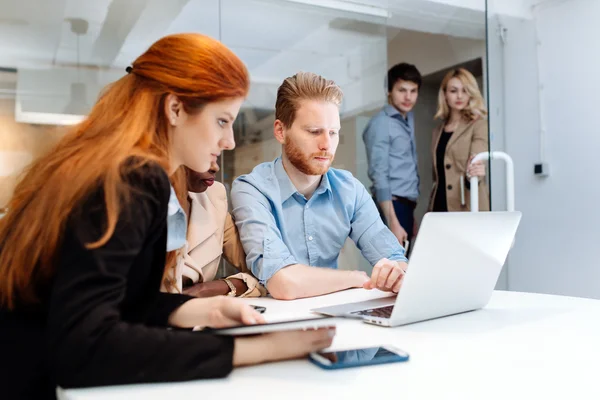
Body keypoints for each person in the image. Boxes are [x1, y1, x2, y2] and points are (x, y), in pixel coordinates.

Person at [0, 34, 334, 400]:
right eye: (222, 121)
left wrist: (198, 310)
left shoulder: (125, 169)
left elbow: (122, 302)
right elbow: (86, 343)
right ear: (175, 109)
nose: (229, 142)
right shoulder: (132, 179)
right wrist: (260, 350)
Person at [231, 72, 408, 301]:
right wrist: (354, 278)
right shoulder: (251, 190)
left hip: (335, 316)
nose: (326, 145)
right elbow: (284, 283)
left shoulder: (350, 190)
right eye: (314, 132)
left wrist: (395, 274)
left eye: (333, 132)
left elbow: (395, 259)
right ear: (280, 131)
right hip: (276, 322)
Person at [162, 161, 265, 298]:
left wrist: (214, 288)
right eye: (205, 154)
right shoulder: (138, 199)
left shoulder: (213, 198)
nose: (215, 167)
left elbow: (266, 273)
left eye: (216, 155)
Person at [363, 62, 422, 246]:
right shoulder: (382, 123)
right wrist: (393, 222)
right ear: (389, 91)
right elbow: (379, 175)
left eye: (413, 91)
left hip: (406, 206)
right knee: (393, 271)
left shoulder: (407, 119)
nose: (408, 97)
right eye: (402, 90)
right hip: (391, 206)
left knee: (404, 270)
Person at [429, 68, 489, 212]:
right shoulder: (437, 131)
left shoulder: (478, 125)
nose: (460, 96)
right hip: (439, 205)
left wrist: (474, 173)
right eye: (453, 91)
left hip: (467, 205)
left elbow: (476, 163)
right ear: (445, 94)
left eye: (465, 90)